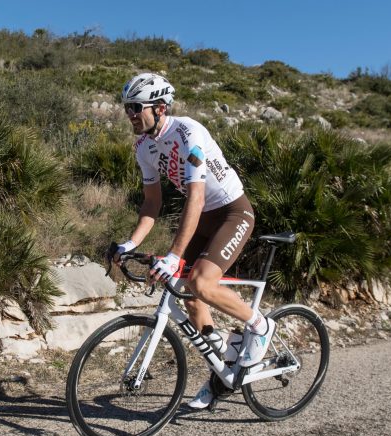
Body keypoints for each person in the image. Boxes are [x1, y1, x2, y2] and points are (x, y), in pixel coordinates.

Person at [113, 73, 275, 409]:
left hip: (232, 212)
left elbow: (196, 198)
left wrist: (174, 254)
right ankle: (223, 371)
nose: (129, 114)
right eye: (126, 107)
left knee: (202, 282)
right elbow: (152, 204)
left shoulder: (188, 132)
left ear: (159, 108)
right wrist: (129, 244)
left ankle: (260, 327)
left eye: (135, 107)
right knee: (184, 292)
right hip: (202, 216)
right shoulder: (144, 146)